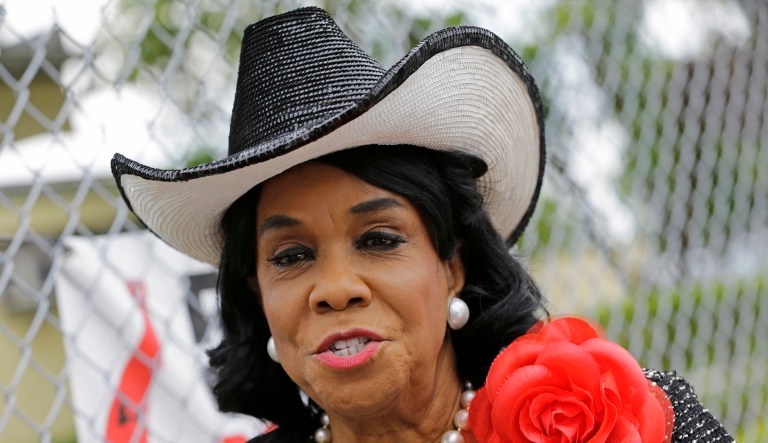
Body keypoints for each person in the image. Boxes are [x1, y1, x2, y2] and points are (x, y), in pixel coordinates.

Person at [111, 7, 733, 443]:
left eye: (379, 240)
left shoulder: (629, 420)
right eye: (290, 255)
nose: (334, 287)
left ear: (453, 265)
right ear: (258, 294)